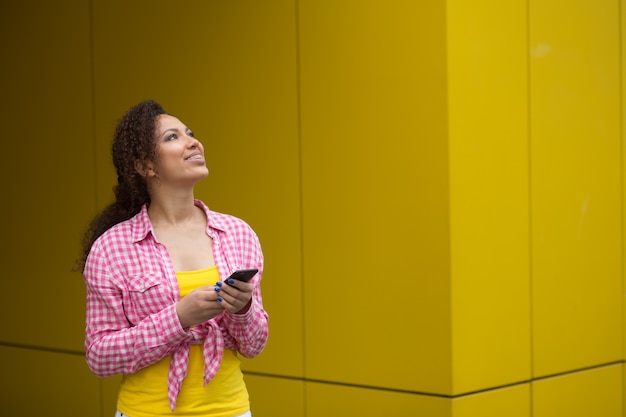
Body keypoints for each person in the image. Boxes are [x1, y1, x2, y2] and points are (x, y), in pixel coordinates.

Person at [77, 100, 268, 417]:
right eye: (172, 137)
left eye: (190, 132)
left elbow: (254, 345)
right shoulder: (112, 248)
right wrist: (178, 317)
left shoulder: (239, 234)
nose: (194, 141)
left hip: (230, 410)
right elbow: (99, 356)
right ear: (145, 166)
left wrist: (243, 308)